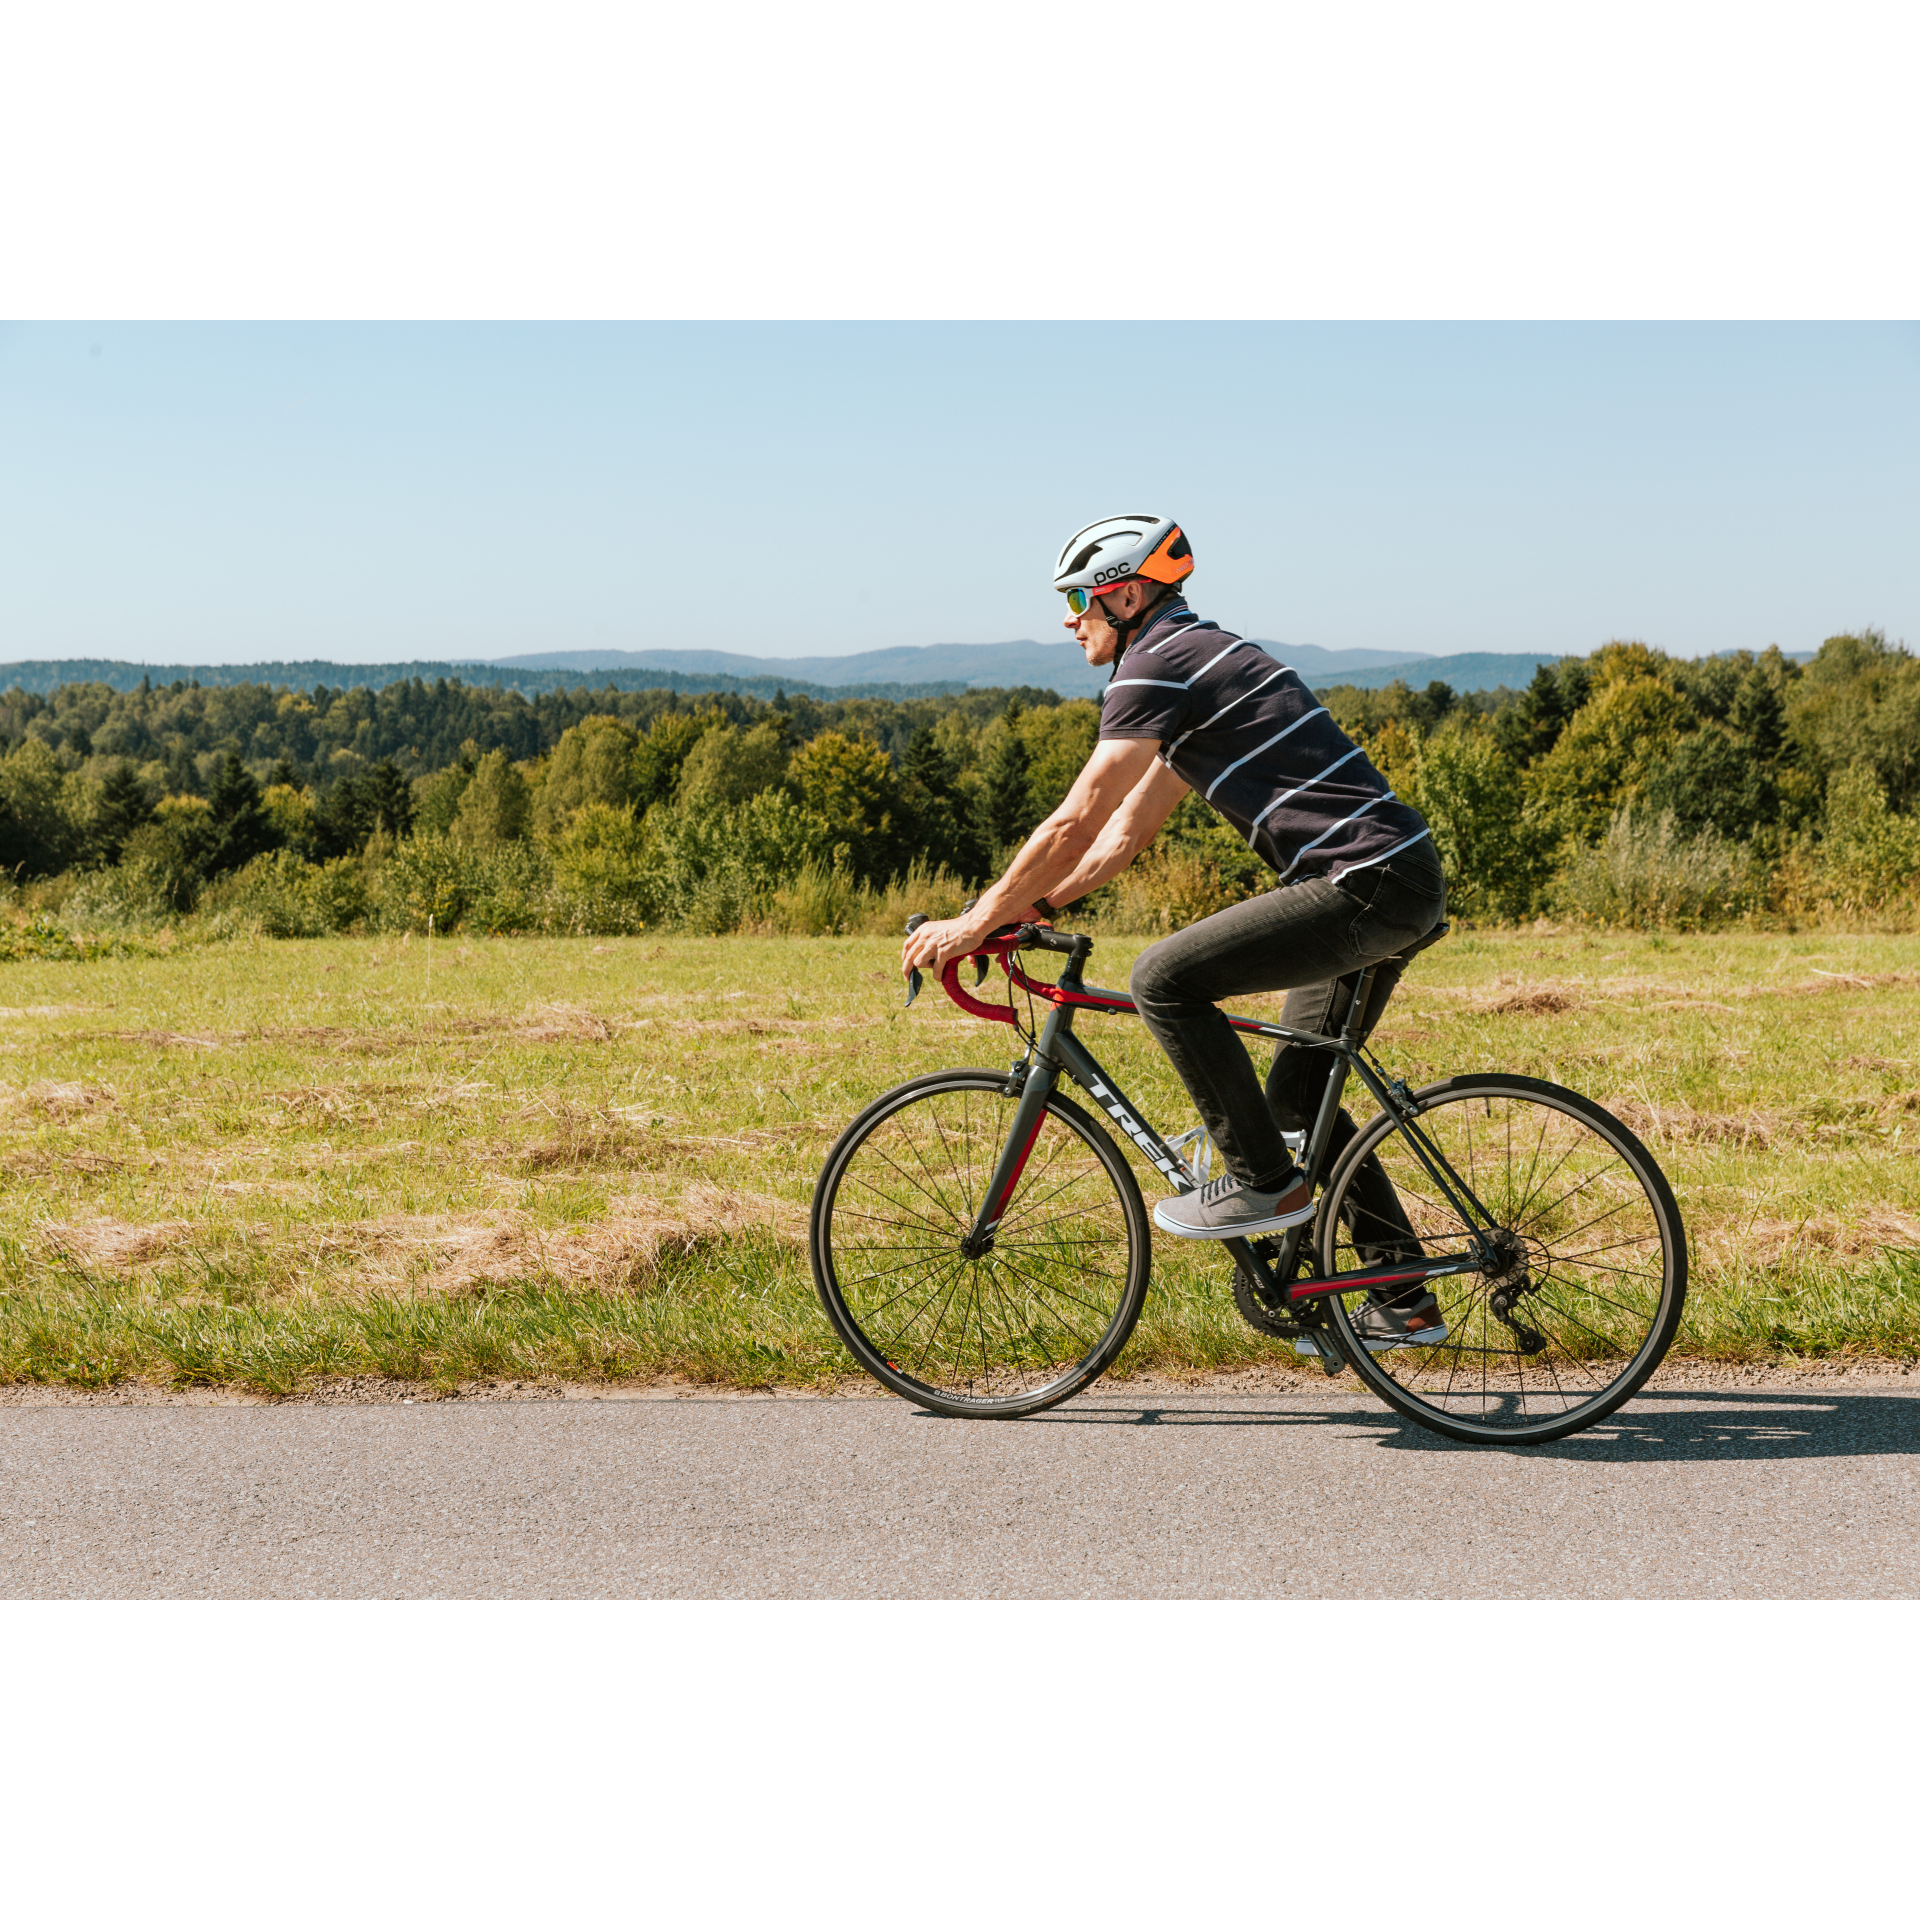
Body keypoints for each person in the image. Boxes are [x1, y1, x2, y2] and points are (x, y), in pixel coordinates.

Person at [901, 513, 1450, 1347]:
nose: (1067, 618)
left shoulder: (1157, 665)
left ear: (1124, 595)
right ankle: (1401, 1298)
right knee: (1300, 1099)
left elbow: (1076, 817)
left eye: (1077, 598)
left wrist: (974, 919)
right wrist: (1033, 911)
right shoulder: (1195, 660)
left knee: (1164, 978)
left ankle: (1261, 1184)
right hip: (1389, 876)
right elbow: (1123, 834)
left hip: (1359, 882)